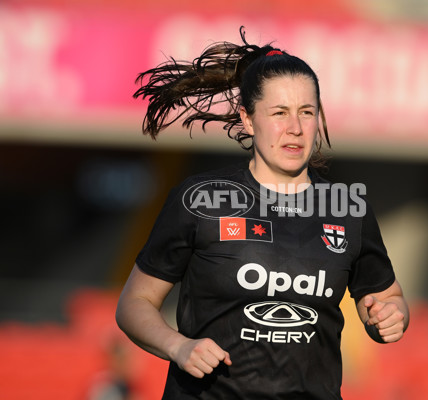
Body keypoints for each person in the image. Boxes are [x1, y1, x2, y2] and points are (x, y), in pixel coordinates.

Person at [115, 26, 409, 399]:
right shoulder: (200, 200)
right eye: (279, 113)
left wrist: (389, 317)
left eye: (307, 112)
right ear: (248, 119)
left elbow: (387, 299)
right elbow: (133, 304)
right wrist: (178, 347)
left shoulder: (348, 207)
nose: (295, 128)